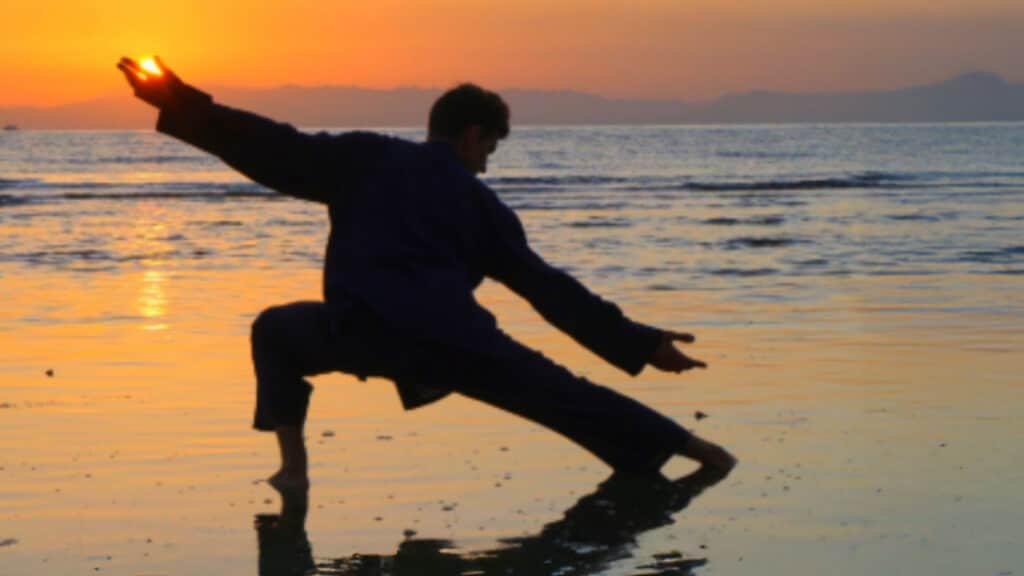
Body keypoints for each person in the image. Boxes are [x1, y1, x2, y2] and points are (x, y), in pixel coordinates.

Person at [116, 57, 736, 492]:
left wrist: (183, 104)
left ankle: (294, 469)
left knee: (275, 331)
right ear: (472, 136)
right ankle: (704, 453)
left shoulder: (366, 158)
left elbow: (275, 146)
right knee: (564, 396)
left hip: (360, 333)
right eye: (490, 150)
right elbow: (547, 289)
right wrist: (640, 343)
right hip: (455, 346)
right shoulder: (480, 205)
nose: (488, 166)